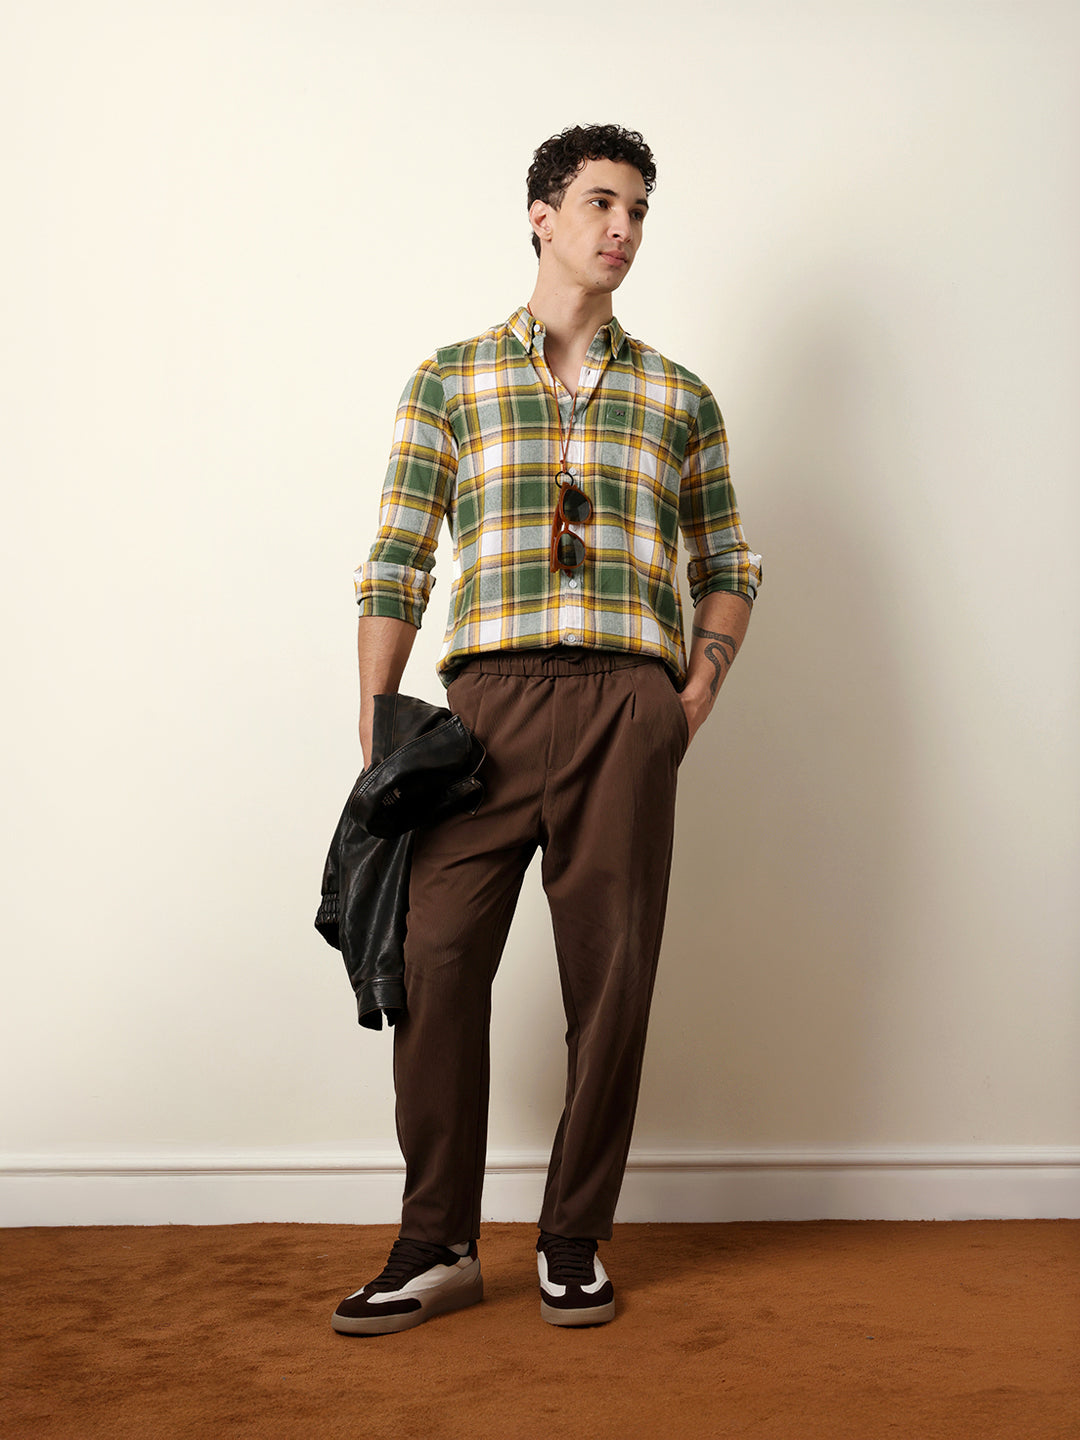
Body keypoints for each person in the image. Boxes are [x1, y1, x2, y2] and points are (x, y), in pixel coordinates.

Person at [331, 124, 762, 1336]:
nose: (623, 228)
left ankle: (573, 1240)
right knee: (432, 960)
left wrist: (692, 696)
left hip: (629, 703)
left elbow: (729, 560)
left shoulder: (679, 396)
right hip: (484, 713)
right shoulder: (451, 379)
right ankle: (437, 1243)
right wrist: (377, 726)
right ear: (542, 216)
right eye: (601, 204)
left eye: (639, 211)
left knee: (612, 981)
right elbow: (397, 559)